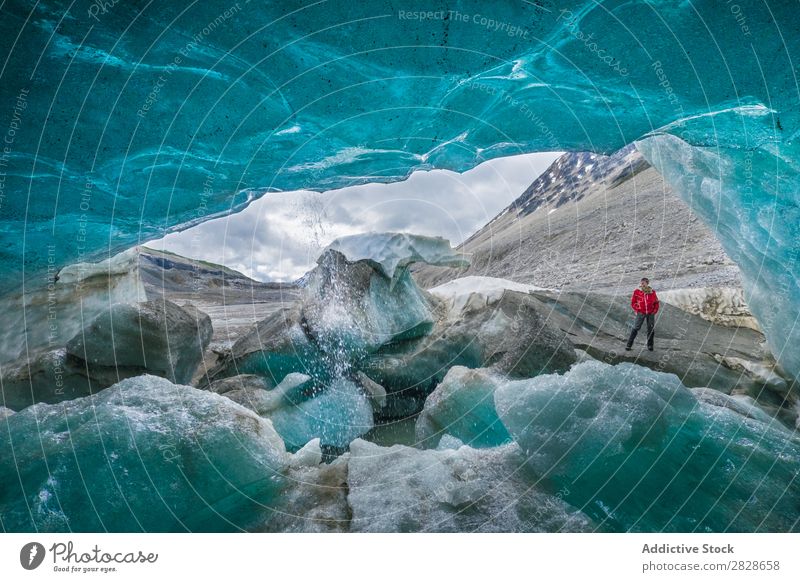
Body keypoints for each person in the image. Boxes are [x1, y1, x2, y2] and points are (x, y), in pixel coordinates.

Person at [626, 277, 659, 351]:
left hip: (650, 313)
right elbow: (633, 302)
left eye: (643, 283)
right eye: (641, 283)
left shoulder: (652, 292)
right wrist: (637, 309)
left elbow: (656, 303)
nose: (642, 284)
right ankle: (629, 345)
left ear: (647, 283)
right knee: (635, 328)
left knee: (650, 329)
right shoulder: (637, 292)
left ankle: (650, 346)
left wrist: (654, 311)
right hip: (641, 313)